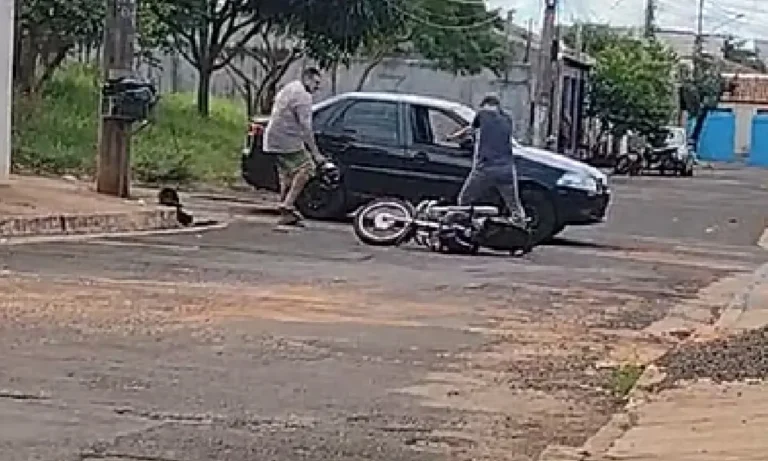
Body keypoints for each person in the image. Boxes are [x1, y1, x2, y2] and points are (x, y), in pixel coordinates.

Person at [447, 94, 526, 226]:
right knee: (514, 205)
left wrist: (452, 137)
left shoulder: (483, 114)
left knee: (464, 199)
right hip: (507, 169)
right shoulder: (508, 119)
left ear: (485, 105)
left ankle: (465, 228)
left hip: (485, 168)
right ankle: (522, 227)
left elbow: (470, 130)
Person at [263, 67, 325, 226]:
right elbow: (306, 127)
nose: (317, 87)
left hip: (272, 137)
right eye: (316, 83)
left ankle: (285, 214)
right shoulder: (303, 96)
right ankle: (288, 204)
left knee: (287, 175)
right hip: (287, 139)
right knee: (307, 168)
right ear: (307, 79)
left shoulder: (290, 87)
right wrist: (316, 153)